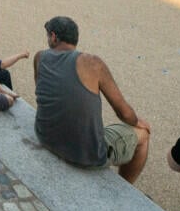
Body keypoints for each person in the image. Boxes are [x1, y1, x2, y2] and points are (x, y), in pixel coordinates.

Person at [33, 16, 150, 184]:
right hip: (86, 155)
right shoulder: (92, 63)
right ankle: (124, 188)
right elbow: (124, 113)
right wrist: (138, 122)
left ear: (53, 37)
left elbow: (42, 95)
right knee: (143, 135)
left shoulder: (40, 57)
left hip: (45, 136)